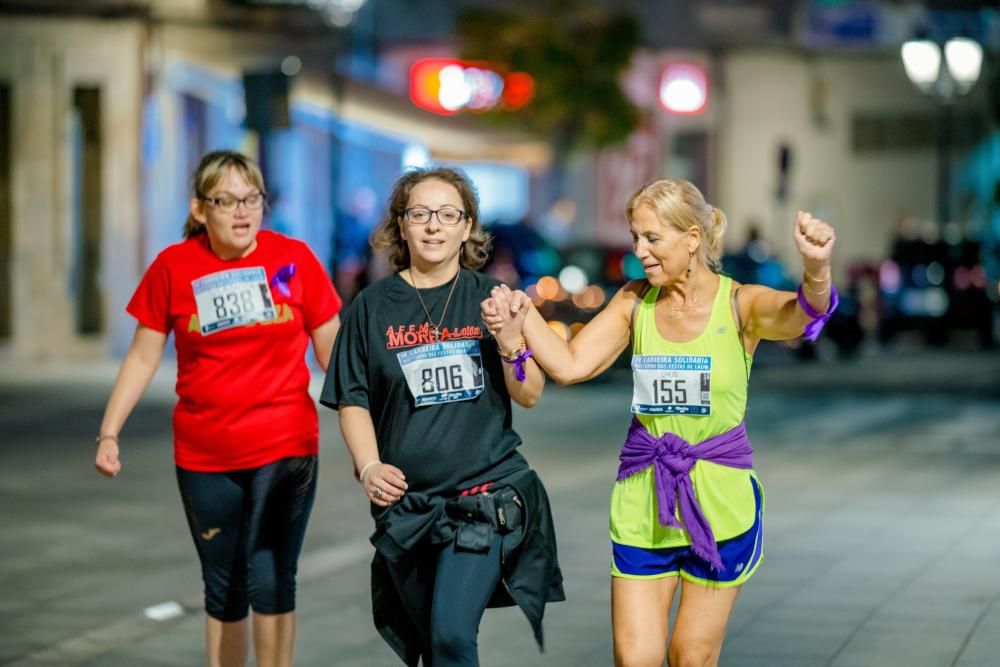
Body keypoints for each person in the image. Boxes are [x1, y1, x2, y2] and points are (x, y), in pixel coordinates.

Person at [482, 178, 836, 667]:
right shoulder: (634, 301)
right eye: (635, 238)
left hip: (720, 505)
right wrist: (521, 318)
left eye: (652, 238)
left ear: (692, 237)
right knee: (636, 659)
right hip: (643, 504)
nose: (640, 252)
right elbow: (568, 366)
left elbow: (803, 314)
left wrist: (816, 268)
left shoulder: (739, 305)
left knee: (690, 655)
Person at [94, 150, 343, 667]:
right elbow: (143, 357)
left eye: (251, 199)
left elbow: (332, 349)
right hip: (205, 452)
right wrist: (109, 433)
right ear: (200, 208)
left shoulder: (292, 258)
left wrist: (376, 409)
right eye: (226, 201)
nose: (241, 211)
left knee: (271, 575)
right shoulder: (173, 266)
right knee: (223, 583)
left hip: (285, 443)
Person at [320, 166, 564, 667]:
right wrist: (368, 467)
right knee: (430, 644)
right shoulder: (370, 308)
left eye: (448, 214)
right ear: (401, 225)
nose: (434, 226)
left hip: (484, 499)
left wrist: (511, 341)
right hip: (407, 509)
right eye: (421, 214)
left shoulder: (493, 300)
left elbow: (531, 394)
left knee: (452, 636)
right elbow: (352, 400)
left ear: (467, 226)